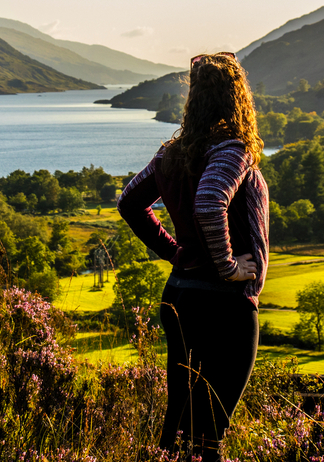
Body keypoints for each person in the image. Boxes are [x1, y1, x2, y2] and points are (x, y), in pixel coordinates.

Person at [117, 52, 269, 461]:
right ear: (239, 95)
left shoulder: (174, 152)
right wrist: (229, 267)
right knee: (208, 435)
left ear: (193, 98)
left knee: (180, 429)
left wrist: (174, 253)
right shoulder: (232, 149)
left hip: (180, 297)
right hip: (224, 306)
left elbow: (130, 202)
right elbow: (208, 201)